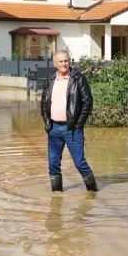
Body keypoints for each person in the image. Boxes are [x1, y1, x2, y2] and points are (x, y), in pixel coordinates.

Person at [41, 50, 98, 192]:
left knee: (80, 163)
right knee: (53, 164)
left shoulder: (78, 79)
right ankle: (57, 196)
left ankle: (93, 193)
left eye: (66, 61)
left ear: (69, 61)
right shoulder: (50, 80)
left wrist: (79, 123)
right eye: (60, 61)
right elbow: (43, 103)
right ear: (55, 63)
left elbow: (87, 102)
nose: (64, 64)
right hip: (53, 129)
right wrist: (47, 123)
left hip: (72, 128)